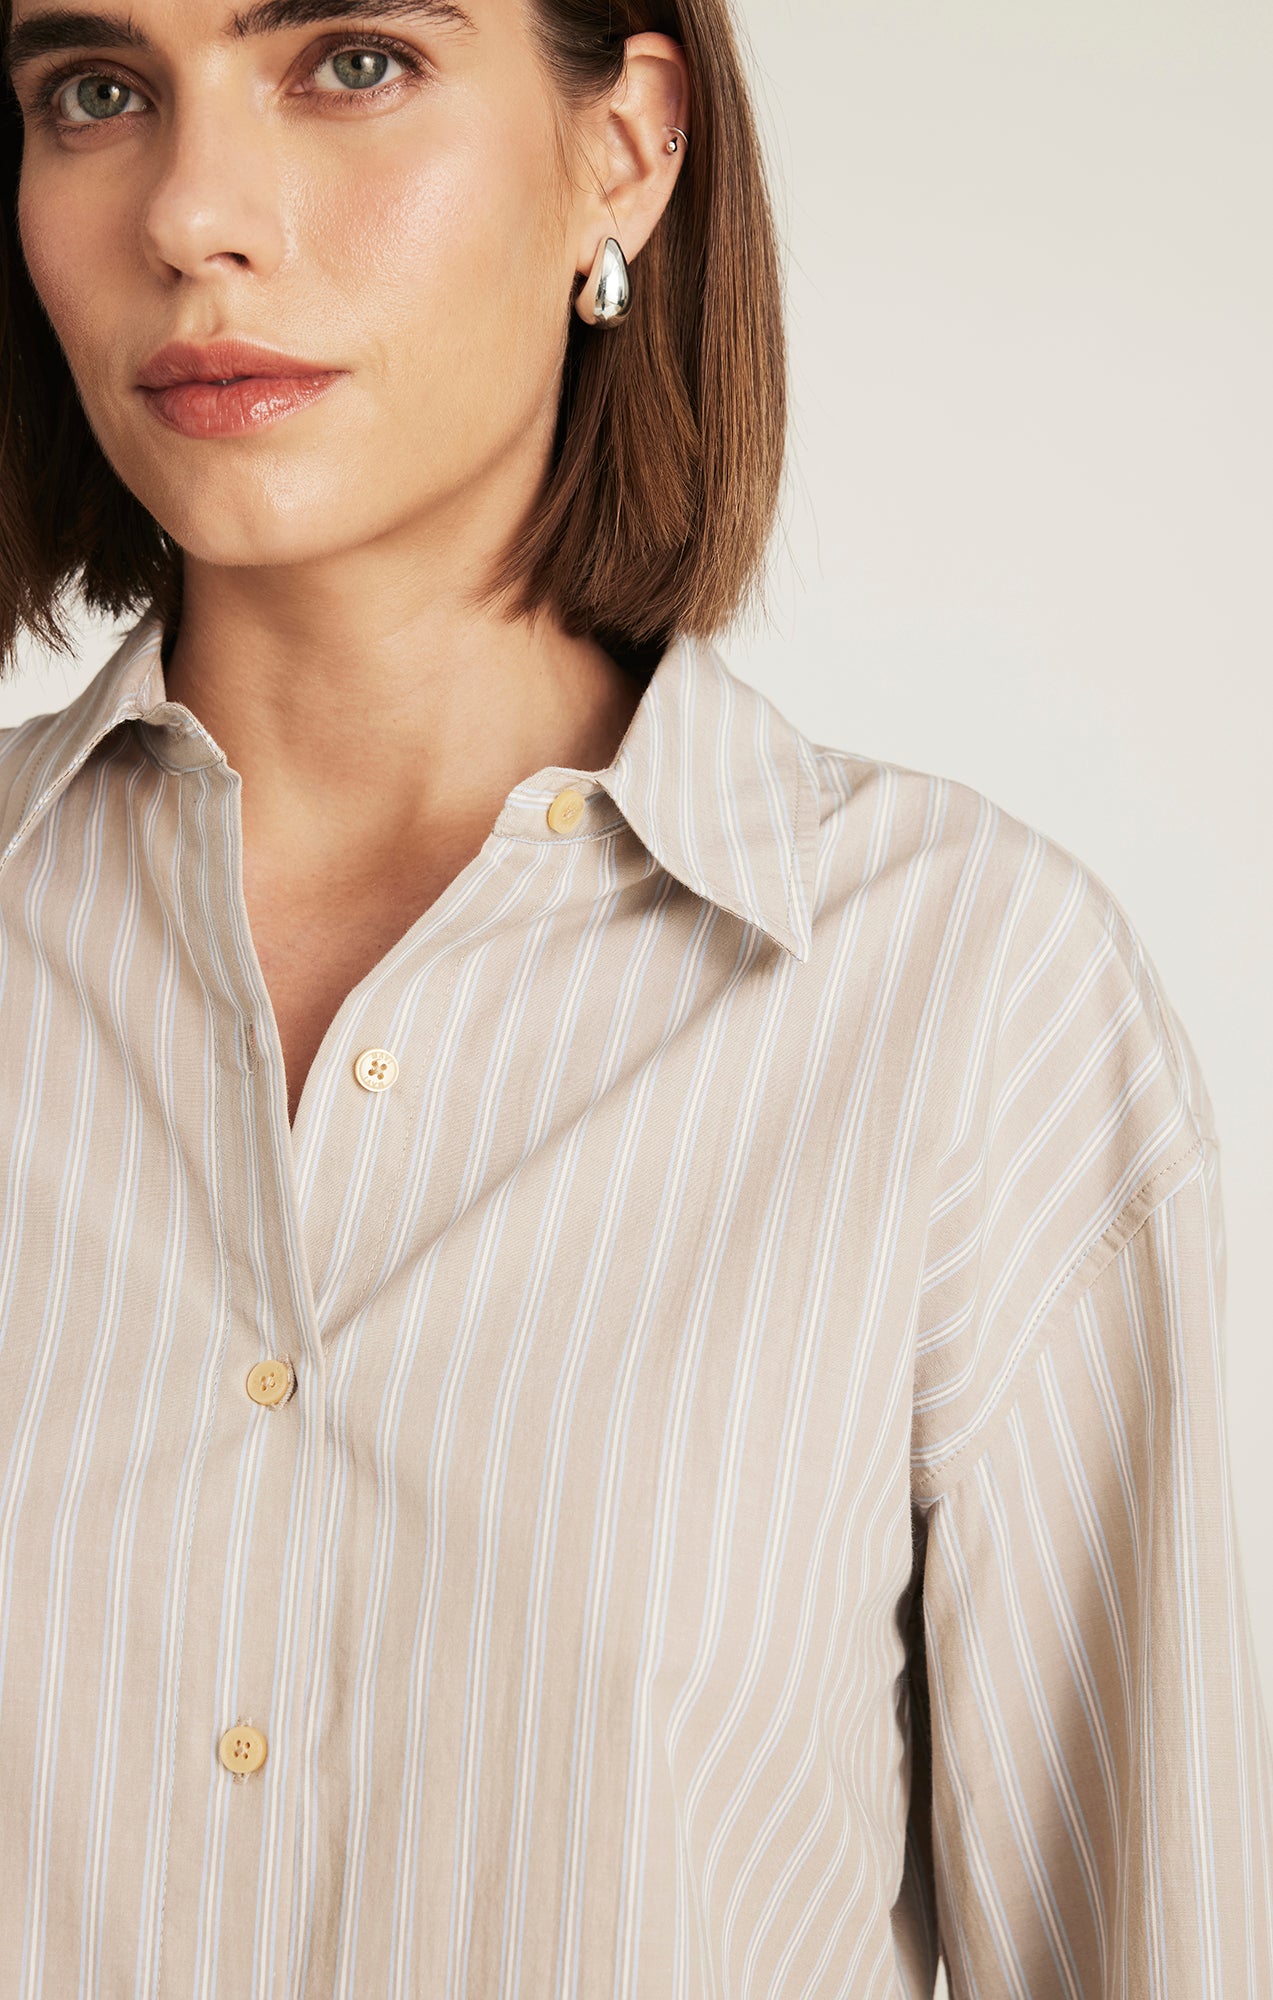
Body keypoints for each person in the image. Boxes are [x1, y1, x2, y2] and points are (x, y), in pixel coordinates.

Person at [0, 0, 1269, 1993]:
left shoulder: (964, 1001)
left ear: (624, 144)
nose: (190, 212)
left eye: (350, 60)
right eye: (95, 91)